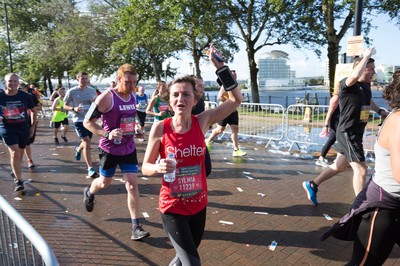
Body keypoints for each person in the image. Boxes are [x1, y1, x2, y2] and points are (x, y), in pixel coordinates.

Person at [142, 44, 243, 265]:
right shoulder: (160, 128)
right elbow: (145, 167)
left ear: (194, 100)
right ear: (169, 101)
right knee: (192, 263)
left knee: (183, 258)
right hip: (173, 207)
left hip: (199, 205)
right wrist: (158, 168)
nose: (181, 99)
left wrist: (221, 68)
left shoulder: (202, 121)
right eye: (176, 95)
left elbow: (236, 100)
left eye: (186, 95)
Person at [320, 75, 400, 265]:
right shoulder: (398, 121)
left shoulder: (365, 90)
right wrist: (327, 123)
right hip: (383, 210)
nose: (371, 73)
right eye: (368, 69)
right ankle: (315, 184)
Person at [303, 48, 388, 205]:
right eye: (371, 69)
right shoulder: (347, 84)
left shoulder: (366, 87)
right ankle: (360, 206)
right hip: (347, 132)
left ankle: (312, 185)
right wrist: (366, 55)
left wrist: (380, 111)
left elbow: (368, 102)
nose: (373, 72)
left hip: (356, 132)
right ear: (360, 68)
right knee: (362, 169)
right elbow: (354, 75)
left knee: (339, 166)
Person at [83, 64, 150, 240]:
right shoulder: (106, 97)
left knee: (132, 185)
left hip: (128, 147)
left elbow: (129, 117)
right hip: (109, 149)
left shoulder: (133, 95)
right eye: (128, 82)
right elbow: (87, 122)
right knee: (105, 182)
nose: (131, 86)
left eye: (134, 83)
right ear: (119, 79)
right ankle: (89, 193)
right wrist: (107, 133)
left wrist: (136, 129)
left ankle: (136, 226)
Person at [0, 73, 36, 191]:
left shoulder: (25, 96)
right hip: (7, 128)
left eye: (16, 81)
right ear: (5, 82)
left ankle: (14, 170)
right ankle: (19, 181)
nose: (13, 83)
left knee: (20, 153)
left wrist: (32, 127)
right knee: (15, 152)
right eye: (10, 81)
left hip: (23, 128)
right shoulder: (1, 96)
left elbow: (34, 111)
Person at [63, 71, 98, 178]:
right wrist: (74, 108)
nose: (84, 80)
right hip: (78, 120)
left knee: (87, 142)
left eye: (86, 78)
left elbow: (96, 104)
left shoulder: (92, 90)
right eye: (82, 78)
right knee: (87, 142)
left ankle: (78, 149)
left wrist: (94, 103)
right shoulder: (72, 91)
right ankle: (90, 168)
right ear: (77, 79)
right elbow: (64, 106)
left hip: (89, 120)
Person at [205, 70, 247, 157]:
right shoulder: (225, 85)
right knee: (220, 129)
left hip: (233, 111)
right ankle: (207, 140)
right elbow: (220, 97)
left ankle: (236, 150)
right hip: (224, 110)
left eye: (234, 75)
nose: (234, 76)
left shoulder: (234, 85)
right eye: (232, 75)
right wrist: (230, 102)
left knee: (235, 129)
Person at [191, 77, 212, 177]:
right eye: (199, 86)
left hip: (199, 139)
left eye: (203, 86)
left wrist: (208, 122)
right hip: (186, 140)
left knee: (207, 168)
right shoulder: (185, 101)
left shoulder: (201, 101)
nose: (202, 89)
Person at [315, 89, 340, 167]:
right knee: (331, 140)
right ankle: (321, 158)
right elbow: (329, 112)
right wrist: (326, 126)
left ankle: (338, 159)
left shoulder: (345, 97)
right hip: (336, 123)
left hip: (341, 123)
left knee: (340, 141)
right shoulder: (336, 98)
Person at [19, 83, 40, 169]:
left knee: (26, 143)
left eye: (21, 88)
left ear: (25, 89)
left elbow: (38, 107)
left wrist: (30, 109)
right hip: (12, 124)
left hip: (26, 122)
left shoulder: (29, 96)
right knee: (15, 144)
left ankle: (29, 159)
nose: (19, 90)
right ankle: (17, 163)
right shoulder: (8, 95)